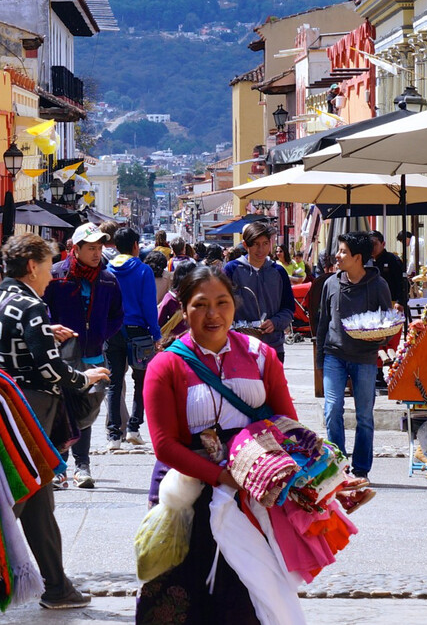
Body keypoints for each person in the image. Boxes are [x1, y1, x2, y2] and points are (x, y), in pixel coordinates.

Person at [138, 266, 300, 623]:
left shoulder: (261, 356)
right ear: (183, 308)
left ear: (234, 305)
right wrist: (223, 478)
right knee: (181, 597)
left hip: (252, 493)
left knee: (246, 597)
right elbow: (164, 445)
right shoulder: (166, 365)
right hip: (187, 492)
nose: (213, 314)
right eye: (201, 304)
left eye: (222, 302)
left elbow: (287, 423)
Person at [0, 233, 110, 609]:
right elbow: (50, 369)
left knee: (38, 500)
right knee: (15, 500)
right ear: (33, 266)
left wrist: (45, 333)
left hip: (1, 408)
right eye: (48, 265)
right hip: (32, 412)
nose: (53, 275)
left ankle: (57, 586)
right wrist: (84, 378)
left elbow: (3, 346)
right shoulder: (31, 305)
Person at [44, 223, 124, 490]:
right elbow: (45, 311)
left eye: (99, 248)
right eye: (91, 248)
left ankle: (83, 466)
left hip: (93, 354)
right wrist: (54, 333)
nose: (96, 253)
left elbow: (117, 315)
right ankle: (60, 467)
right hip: (62, 355)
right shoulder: (56, 277)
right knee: (61, 409)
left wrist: (101, 334)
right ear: (75, 249)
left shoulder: (107, 279)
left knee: (87, 410)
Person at [315, 231, 391, 480]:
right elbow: (323, 323)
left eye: (343, 251)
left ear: (358, 257)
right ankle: (338, 465)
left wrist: (377, 339)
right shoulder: (331, 284)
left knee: (364, 415)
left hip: (365, 357)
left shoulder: (379, 285)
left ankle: (361, 469)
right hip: (334, 355)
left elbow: (387, 323)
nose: (337, 255)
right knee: (332, 408)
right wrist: (319, 359)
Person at [107, 227, 163, 449]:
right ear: (135, 246)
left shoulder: (108, 269)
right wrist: (156, 334)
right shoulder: (143, 270)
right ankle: (133, 428)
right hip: (138, 331)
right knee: (141, 381)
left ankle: (113, 435)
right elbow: (149, 306)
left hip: (112, 331)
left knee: (114, 382)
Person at [223, 221, 295, 363]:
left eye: (265, 243)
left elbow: (288, 308)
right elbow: (221, 305)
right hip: (240, 346)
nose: (261, 249)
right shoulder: (231, 270)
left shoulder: (279, 272)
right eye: (255, 244)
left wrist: (275, 322)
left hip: (273, 346)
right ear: (245, 245)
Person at [157, 260, 199, 346]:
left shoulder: (170, 297)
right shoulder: (200, 297)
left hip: (175, 343)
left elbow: (160, 321)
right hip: (197, 341)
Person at [368, 230, 408, 309]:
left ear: (383, 244)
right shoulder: (365, 261)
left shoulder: (392, 260)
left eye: (375, 244)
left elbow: (403, 282)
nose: (372, 247)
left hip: (391, 303)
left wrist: (400, 301)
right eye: (369, 245)